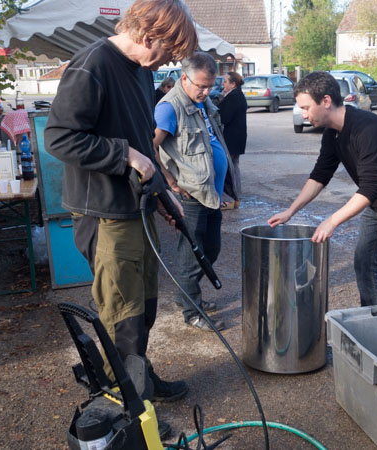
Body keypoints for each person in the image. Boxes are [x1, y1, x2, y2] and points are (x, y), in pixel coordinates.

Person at [43, 0, 197, 412]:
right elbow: (59, 137)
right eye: (168, 52)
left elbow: (143, 141)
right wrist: (123, 154)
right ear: (148, 36)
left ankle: (139, 378)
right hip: (105, 213)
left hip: (137, 208)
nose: (168, 63)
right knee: (120, 314)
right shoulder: (92, 65)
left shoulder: (141, 71)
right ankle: (128, 408)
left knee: (143, 305)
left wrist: (162, 191)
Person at [268, 71, 377, 306]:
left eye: (306, 108)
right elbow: (319, 176)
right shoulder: (332, 134)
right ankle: (374, 318)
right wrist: (290, 211)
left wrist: (331, 221)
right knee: (364, 262)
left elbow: (369, 188)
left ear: (326, 101)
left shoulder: (367, 128)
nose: (303, 114)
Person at [153, 52, 238, 331]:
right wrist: (169, 181)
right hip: (189, 195)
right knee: (193, 255)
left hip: (210, 193)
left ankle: (185, 295)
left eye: (210, 86)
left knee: (211, 249)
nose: (206, 91)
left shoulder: (202, 101)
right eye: (201, 86)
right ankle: (192, 312)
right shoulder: (169, 107)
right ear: (184, 78)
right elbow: (150, 146)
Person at [217, 71, 247, 210]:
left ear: (233, 84)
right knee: (234, 168)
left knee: (229, 170)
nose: (223, 84)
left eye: (225, 81)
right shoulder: (237, 95)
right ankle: (236, 198)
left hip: (231, 139)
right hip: (236, 139)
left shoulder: (233, 97)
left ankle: (230, 200)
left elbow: (224, 118)